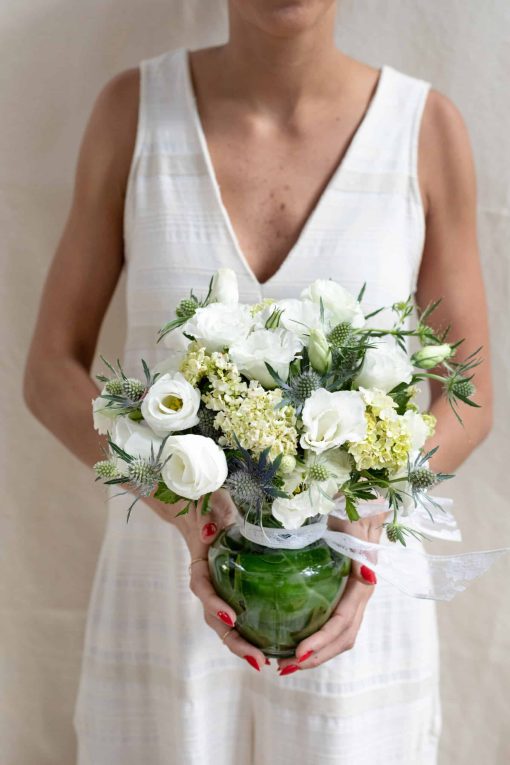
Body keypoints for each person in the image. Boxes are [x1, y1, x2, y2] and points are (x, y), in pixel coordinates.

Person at [23, 1, 493, 763]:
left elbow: (471, 401)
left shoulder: (425, 128)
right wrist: (177, 502)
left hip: (354, 602)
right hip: (163, 596)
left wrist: (367, 522)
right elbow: (50, 370)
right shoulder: (133, 112)